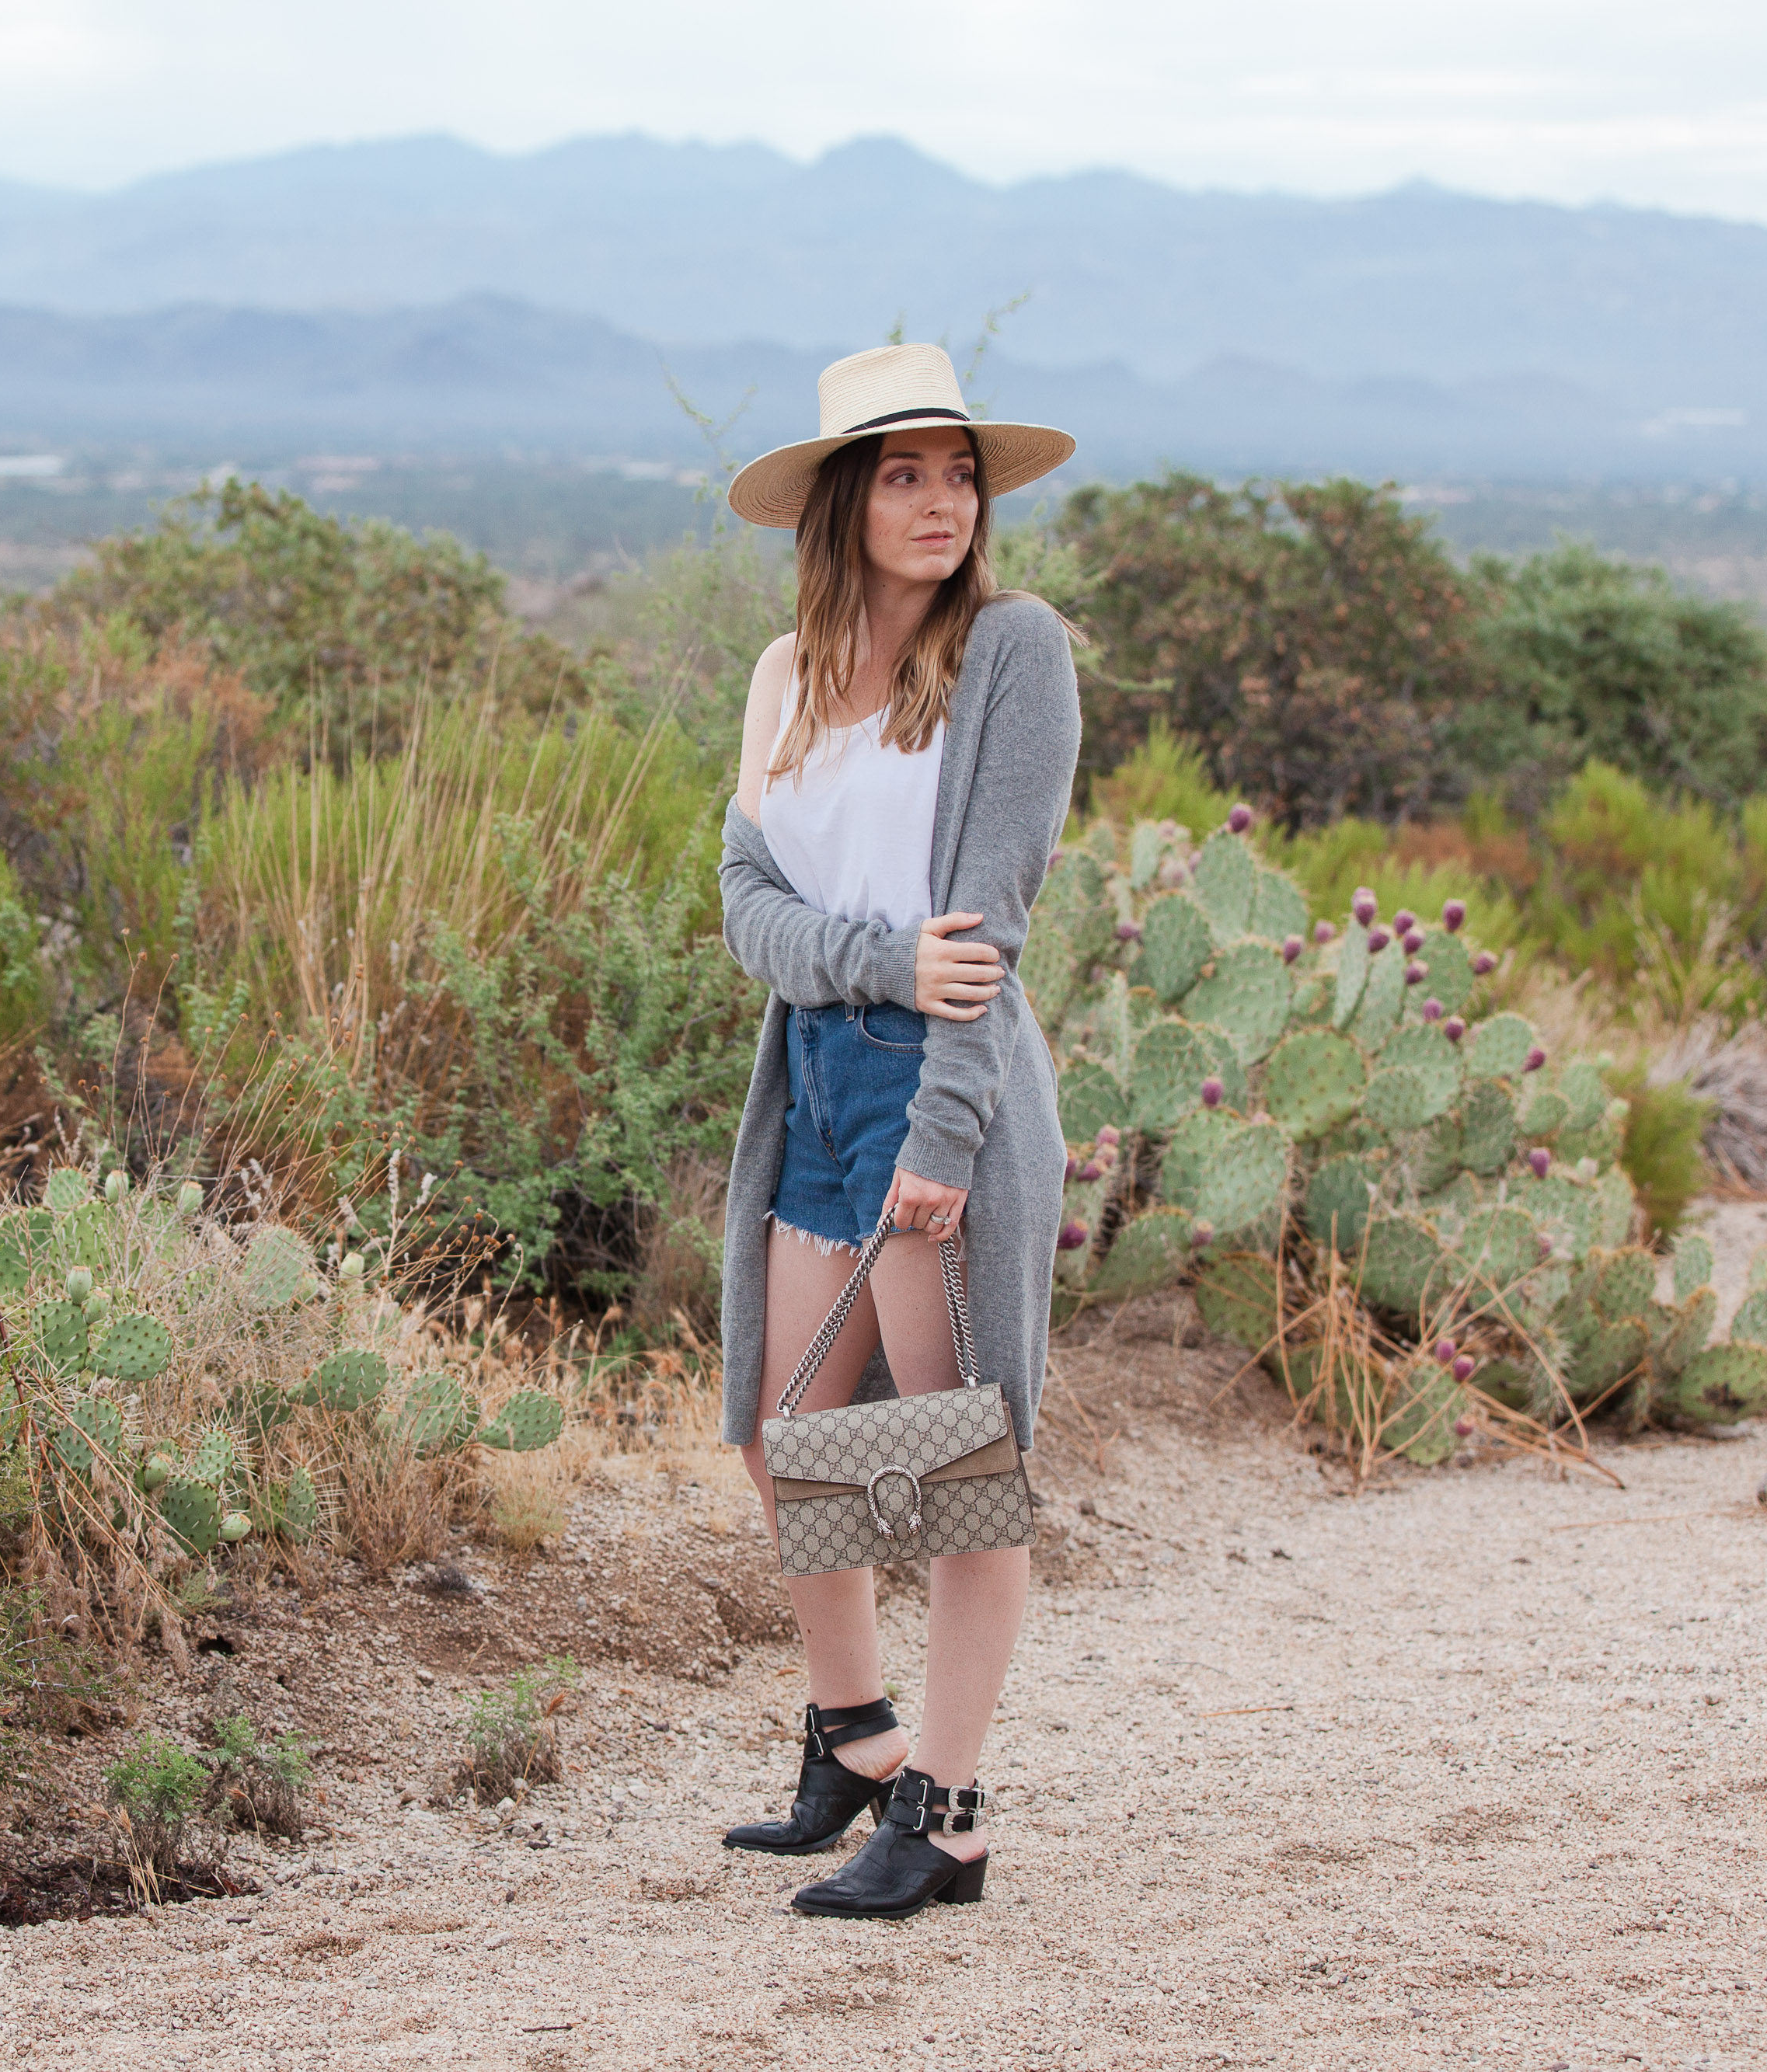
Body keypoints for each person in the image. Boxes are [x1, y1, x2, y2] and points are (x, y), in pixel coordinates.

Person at [709, 342, 1080, 1921]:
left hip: (945, 1085)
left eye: (957, 472)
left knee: (949, 1467)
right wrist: (860, 956)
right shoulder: (783, 677)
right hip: (813, 1077)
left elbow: (980, 932)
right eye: (903, 472)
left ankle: (946, 1810)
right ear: (843, 497)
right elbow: (743, 910)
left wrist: (939, 1138)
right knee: (789, 1438)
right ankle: (852, 1735)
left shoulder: (1010, 651)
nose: (938, 501)